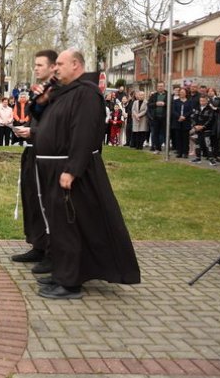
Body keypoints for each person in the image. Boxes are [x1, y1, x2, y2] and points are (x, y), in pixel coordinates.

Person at [32, 49, 140, 299]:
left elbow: (84, 134)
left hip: (70, 170)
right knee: (59, 227)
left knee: (70, 227)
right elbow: (39, 118)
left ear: (76, 65)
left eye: (60, 64)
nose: (55, 68)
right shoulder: (63, 92)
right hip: (53, 167)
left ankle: (70, 283)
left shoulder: (87, 94)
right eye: (55, 63)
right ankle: (62, 272)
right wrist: (41, 101)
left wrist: (72, 169)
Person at [11, 49, 57, 274]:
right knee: (30, 198)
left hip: (47, 155)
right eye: (35, 65)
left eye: (40, 65)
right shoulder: (40, 91)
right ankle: (37, 244)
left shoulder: (56, 92)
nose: (35, 69)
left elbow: (56, 125)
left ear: (52, 67)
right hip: (32, 151)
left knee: (44, 202)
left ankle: (51, 251)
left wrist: (34, 133)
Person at [190, 94, 217, 165]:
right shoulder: (197, 108)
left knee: (208, 144)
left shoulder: (210, 109)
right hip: (197, 129)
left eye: (203, 101)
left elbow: (211, 119)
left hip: (206, 130)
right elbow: (193, 117)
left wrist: (203, 126)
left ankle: (211, 159)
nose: (202, 102)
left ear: (207, 101)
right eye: (201, 101)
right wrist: (195, 126)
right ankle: (198, 158)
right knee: (197, 144)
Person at [147, 82, 168, 154]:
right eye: (159, 86)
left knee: (163, 134)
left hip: (164, 117)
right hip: (155, 117)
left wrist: (164, 104)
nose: (160, 87)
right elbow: (149, 104)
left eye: (161, 86)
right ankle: (157, 149)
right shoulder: (154, 95)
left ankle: (163, 147)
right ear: (157, 87)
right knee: (155, 133)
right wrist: (156, 104)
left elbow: (171, 104)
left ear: (164, 87)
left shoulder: (168, 95)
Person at [171, 88, 192, 159]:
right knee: (178, 138)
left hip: (186, 122)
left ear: (186, 93)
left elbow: (190, 111)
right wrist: (179, 116)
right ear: (179, 93)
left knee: (185, 138)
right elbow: (173, 111)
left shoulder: (189, 102)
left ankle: (185, 153)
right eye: (181, 92)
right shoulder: (175, 101)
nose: (182, 93)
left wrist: (184, 116)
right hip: (177, 122)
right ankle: (179, 152)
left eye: (183, 92)